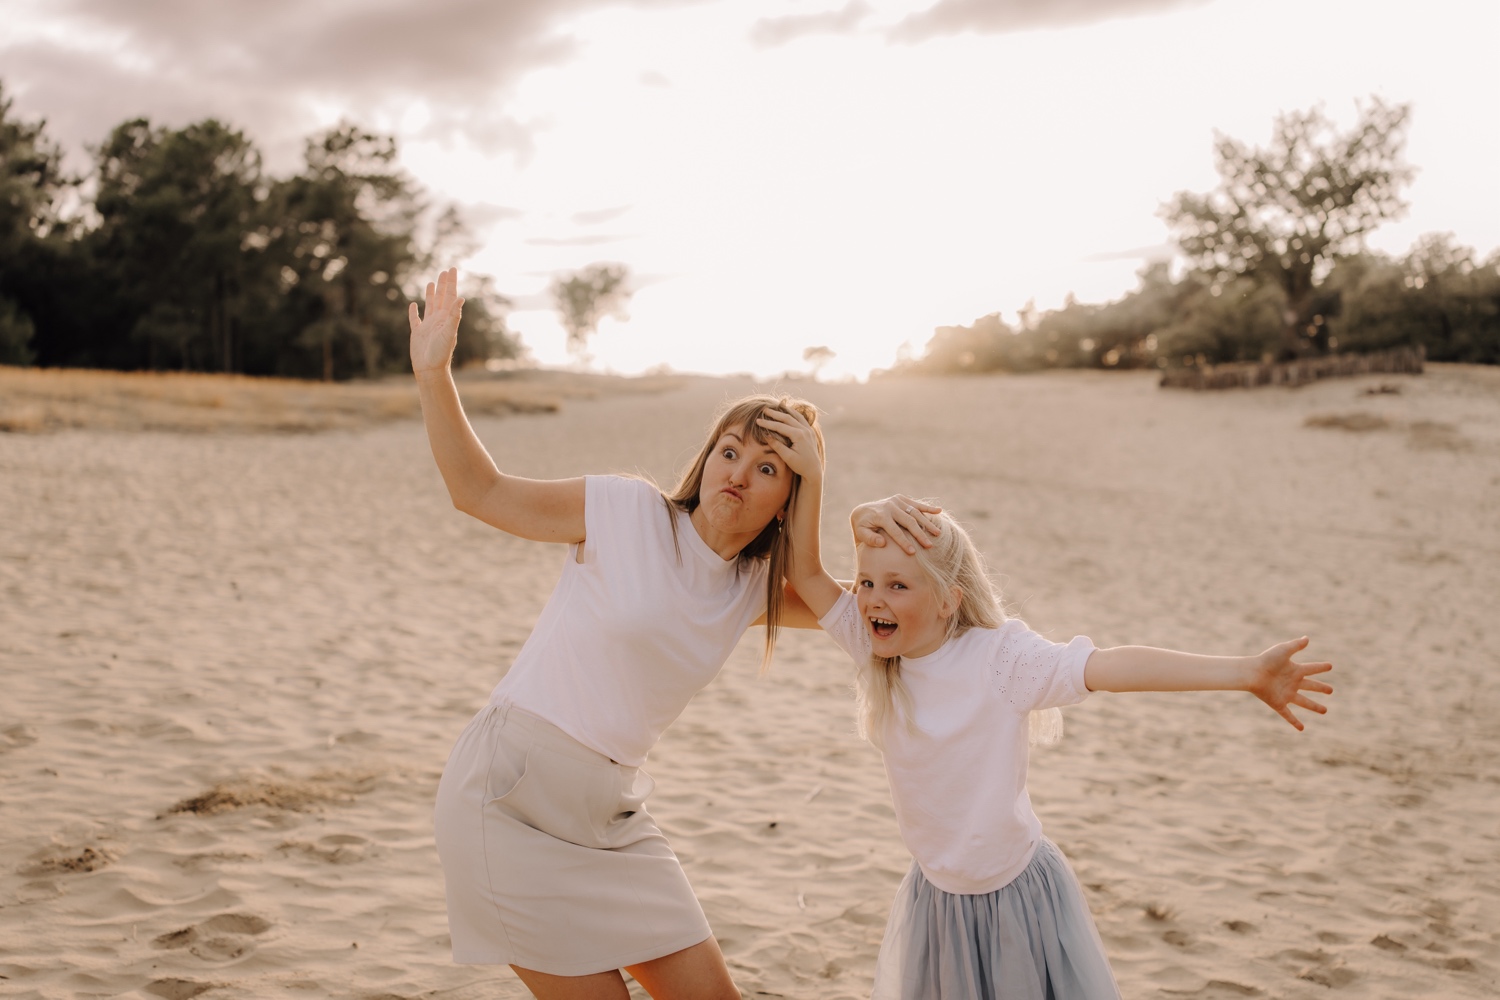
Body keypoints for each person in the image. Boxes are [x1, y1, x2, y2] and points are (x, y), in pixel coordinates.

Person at [407, 269, 924, 1000]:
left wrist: (847, 508)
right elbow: (480, 493)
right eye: (731, 450)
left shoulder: (754, 590)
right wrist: (434, 374)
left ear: (788, 500)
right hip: (507, 797)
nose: (739, 472)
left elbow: (878, 626)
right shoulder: (624, 511)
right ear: (708, 454)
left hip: (610, 816)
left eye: (771, 467)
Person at [755, 406, 1335, 1000]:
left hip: (1017, 901)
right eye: (868, 582)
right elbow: (803, 571)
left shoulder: (1002, 660)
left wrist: (1244, 673)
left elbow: (1110, 666)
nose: (872, 599)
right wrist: (824, 485)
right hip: (938, 903)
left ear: (949, 600)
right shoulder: (879, 652)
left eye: (898, 585)